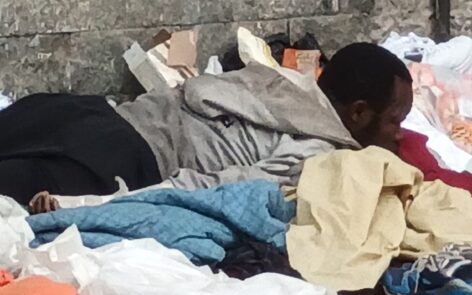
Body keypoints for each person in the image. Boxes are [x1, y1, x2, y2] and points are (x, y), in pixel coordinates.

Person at [1, 43, 413, 209]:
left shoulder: (279, 80)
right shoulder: (318, 154)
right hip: (121, 159)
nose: (401, 135)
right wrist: (93, 206)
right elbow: (219, 188)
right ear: (358, 112)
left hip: (77, 113)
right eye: (395, 120)